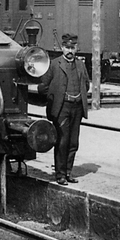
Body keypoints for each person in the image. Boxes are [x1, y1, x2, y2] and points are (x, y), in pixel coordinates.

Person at [37, 33, 89, 185]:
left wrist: (78, 97)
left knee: (73, 142)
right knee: (62, 141)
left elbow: (86, 84)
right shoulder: (54, 64)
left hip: (77, 107)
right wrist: (55, 98)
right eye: (67, 47)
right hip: (62, 108)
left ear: (76, 48)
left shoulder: (80, 64)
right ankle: (60, 175)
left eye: (72, 48)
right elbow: (43, 88)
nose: (70, 51)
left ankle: (68, 172)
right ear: (62, 48)